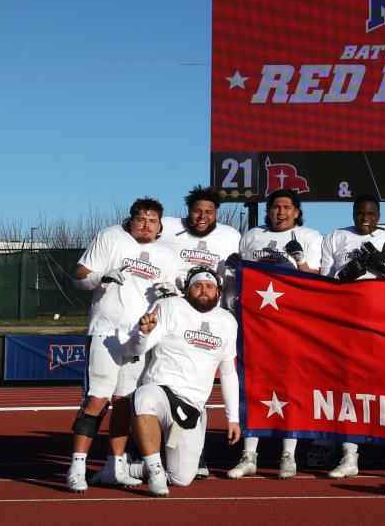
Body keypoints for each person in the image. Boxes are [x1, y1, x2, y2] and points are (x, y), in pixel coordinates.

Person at [66, 198, 179, 493]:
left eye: (153, 221)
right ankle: (77, 466)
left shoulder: (166, 254)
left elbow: (172, 295)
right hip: (107, 331)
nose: (146, 224)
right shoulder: (111, 236)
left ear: (160, 226)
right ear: (130, 221)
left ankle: (113, 466)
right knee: (96, 400)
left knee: (125, 404)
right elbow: (78, 275)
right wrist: (98, 277)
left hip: (140, 336)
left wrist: (171, 294)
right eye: (141, 219)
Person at [227, 189, 323, 480]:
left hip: (293, 323)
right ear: (268, 211)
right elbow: (236, 276)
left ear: (297, 212)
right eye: (275, 207)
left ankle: (288, 454)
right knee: (253, 385)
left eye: (286, 207)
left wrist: (301, 264)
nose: (280, 212)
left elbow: (318, 283)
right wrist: (233, 298)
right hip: (256, 322)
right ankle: (249, 454)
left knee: (290, 386)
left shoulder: (311, 236)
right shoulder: (252, 235)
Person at [318, 194, 385, 479]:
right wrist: (345, 275)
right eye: (360, 213)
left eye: (371, 214)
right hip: (349, 323)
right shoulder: (336, 237)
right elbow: (325, 282)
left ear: (379, 213)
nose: (365, 218)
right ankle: (350, 457)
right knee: (350, 390)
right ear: (352, 213)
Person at [124, 267, 242, 496]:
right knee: (143, 398)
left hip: (192, 406)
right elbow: (134, 350)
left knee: (181, 478)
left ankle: (130, 468)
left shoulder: (228, 321)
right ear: (187, 290)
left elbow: (228, 372)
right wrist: (143, 333)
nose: (204, 290)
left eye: (209, 286)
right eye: (197, 286)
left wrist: (233, 418)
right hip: (161, 390)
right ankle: (156, 472)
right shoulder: (170, 307)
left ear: (218, 292)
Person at [157, 185, 241, 479]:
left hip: (210, 316)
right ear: (187, 213)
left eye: (209, 212)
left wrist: (231, 302)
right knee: (153, 385)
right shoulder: (167, 227)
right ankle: (145, 452)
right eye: (197, 211)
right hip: (171, 314)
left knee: (197, 386)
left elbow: (234, 279)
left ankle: (195, 450)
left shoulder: (231, 236)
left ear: (217, 214)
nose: (202, 216)